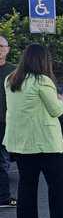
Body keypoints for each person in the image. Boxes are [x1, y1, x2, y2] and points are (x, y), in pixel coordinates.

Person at [4, 44, 63, 218]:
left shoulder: (11, 79)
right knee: (56, 184)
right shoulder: (43, 81)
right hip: (45, 142)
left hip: (20, 141)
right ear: (43, 61)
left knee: (27, 182)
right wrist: (61, 99)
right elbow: (56, 111)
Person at [0, 36, 16, 208]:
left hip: (6, 122)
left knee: (3, 160)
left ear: (8, 49)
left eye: (2, 46)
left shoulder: (14, 71)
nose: (0, 50)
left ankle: (3, 197)